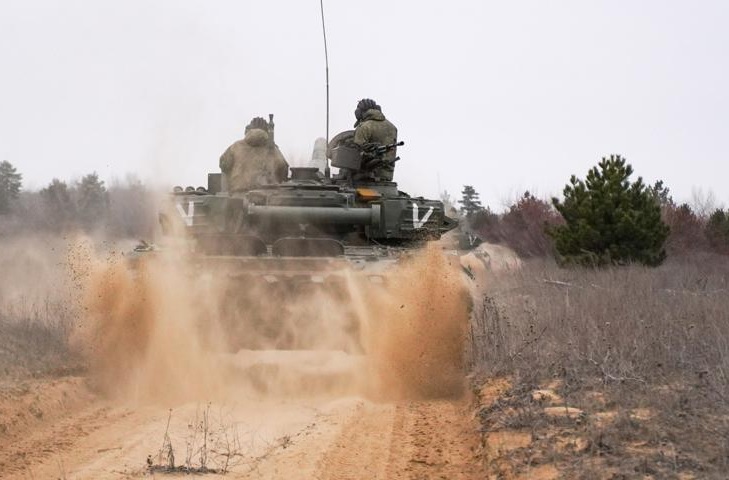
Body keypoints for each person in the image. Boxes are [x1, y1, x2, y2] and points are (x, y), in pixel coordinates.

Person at [219, 117, 289, 192]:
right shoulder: (273, 149)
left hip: (238, 195)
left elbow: (224, 166)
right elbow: (283, 170)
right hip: (267, 196)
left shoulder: (235, 147)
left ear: (248, 130)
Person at [352, 98, 398, 181]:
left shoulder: (364, 127)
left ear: (359, 112)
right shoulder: (392, 127)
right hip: (386, 177)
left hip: (364, 178)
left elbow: (356, 154)